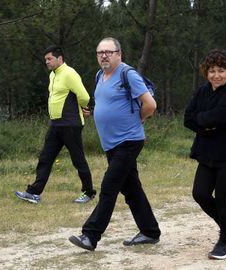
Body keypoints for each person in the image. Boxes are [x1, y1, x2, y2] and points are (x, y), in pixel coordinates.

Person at [69, 37, 161, 251]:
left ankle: (90, 236)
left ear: (119, 54)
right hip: (111, 144)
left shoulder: (128, 74)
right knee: (132, 189)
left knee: (109, 187)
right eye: (100, 52)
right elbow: (107, 102)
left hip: (129, 141)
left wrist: (140, 118)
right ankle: (150, 231)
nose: (104, 56)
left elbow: (150, 104)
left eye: (108, 52)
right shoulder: (100, 75)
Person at [184, 49, 226, 260]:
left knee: (223, 197)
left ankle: (224, 243)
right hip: (207, 150)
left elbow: (218, 117)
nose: (216, 75)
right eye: (212, 70)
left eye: (221, 70)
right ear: (206, 72)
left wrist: (203, 120)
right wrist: (206, 125)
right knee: (200, 194)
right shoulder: (202, 91)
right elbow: (188, 118)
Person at [15, 45, 96, 204]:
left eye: (49, 59)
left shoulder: (69, 73)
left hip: (70, 124)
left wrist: (83, 109)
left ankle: (88, 192)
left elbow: (84, 96)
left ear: (60, 58)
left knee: (77, 159)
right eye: (45, 59)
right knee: (45, 158)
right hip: (56, 124)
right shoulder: (53, 75)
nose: (47, 62)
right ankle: (34, 193)